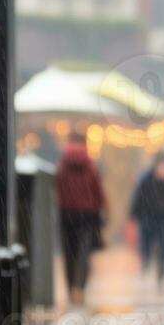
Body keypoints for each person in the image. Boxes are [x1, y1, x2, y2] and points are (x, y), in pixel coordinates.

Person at [56, 131, 107, 305]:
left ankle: (70, 287)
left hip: (66, 213)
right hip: (87, 215)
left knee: (69, 253)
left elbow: (58, 186)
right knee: (84, 252)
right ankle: (80, 288)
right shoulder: (90, 164)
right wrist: (102, 207)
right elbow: (97, 190)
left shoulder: (62, 164)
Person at [129, 152, 164, 288]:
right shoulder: (146, 178)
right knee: (146, 241)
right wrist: (134, 213)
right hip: (149, 216)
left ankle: (161, 268)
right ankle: (146, 260)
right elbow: (138, 196)